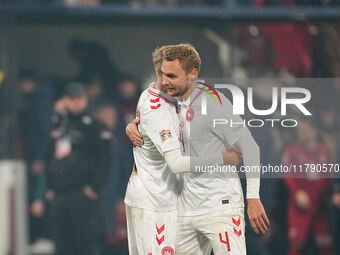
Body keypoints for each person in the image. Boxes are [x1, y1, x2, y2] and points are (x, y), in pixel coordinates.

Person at [127, 44, 269, 255]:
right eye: (163, 75)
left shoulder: (214, 103)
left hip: (220, 205)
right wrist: (131, 126)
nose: (165, 82)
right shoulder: (165, 101)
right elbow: (152, 118)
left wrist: (253, 197)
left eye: (172, 76)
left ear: (193, 74)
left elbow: (249, 146)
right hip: (184, 207)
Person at [45, 83, 112, 255]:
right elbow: (49, 156)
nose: (74, 103)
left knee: (84, 243)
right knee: (61, 244)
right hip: (60, 194)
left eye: (78, 99)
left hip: (82, 194)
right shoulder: (58, 125)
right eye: (70, 99)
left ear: (85, 100)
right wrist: (50, 186)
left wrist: (94, 187)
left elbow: (105, 159)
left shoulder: (94, 126)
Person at [283, 119, 334, 255]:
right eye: (299, 131)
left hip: (320, 204)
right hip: (299, 205)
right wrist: (297, 192)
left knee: (325, 242)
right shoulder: (291, 151)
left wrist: (333, 193)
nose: (302, 134)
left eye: (305, 130)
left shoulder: (324, 151)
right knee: (296, 243)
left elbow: (328, 177)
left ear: (314, 131)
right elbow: (286, 173)